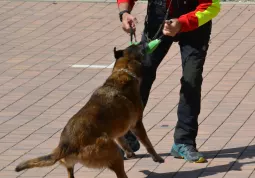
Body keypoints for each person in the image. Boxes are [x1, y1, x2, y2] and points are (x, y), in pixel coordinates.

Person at [117, 0, 221, 163]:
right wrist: (124, 13)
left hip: (194, 22)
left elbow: (212, 5)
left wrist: (182, 23)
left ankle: (184, 142)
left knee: (191, 80)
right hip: (159, 15)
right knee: (141, 75)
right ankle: (128, 137)